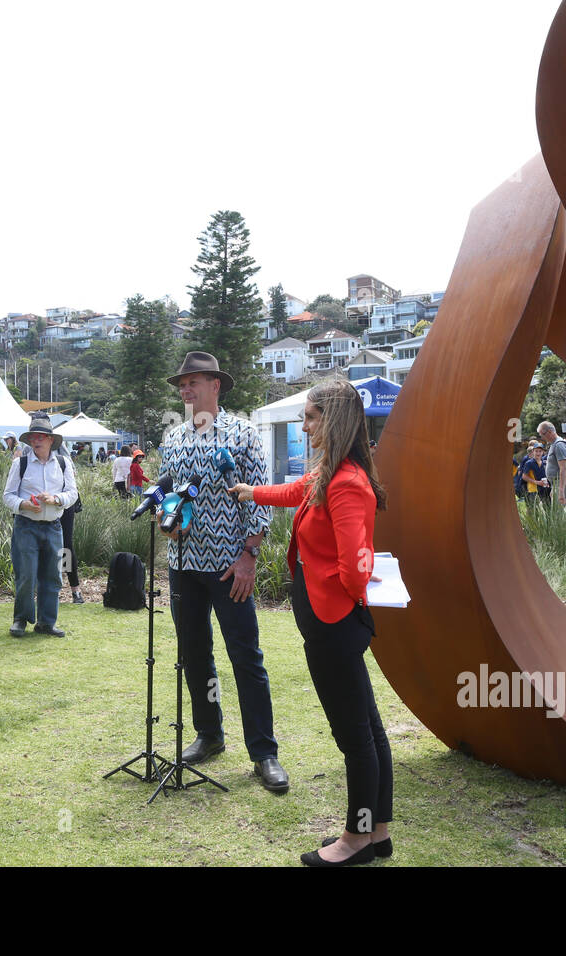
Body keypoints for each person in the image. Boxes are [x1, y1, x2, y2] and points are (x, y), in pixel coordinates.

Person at [229, 380, 389, 865]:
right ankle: (378, 832)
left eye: (311, 417)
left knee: (355, 739)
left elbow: (355, 564)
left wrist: (354, 596)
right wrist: (249, 491)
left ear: (333, 419)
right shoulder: (328, 473)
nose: (304, 427)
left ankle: (356, 839)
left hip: (333, 626)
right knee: (370, 731)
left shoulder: (346, 484)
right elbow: (295, 491)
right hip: (332, 624)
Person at [158, 352, 287, 793]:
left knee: (245, 657)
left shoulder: (243, 434)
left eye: (193, 381)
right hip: (182, 567)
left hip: (230, 567)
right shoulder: (173, 438)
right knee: (195, 655)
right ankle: (209, 734)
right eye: (182, 384)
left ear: (216, 384)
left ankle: (264, 752)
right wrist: (166, 517)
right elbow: (164, 488)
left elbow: (258, 498)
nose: (185, 390)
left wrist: (249, 555)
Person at [3, 414, 79, 636]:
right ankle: (21, 619)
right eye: (33, 437)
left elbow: (72, 494)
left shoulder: (64, 463)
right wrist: (24, 504)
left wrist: (56, 500)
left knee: (53, 576)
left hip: (55, 526)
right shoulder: (21, 463)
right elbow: (7, 496)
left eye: (41, 437)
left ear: (50, 440)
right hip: (26, 526)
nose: (36, 440)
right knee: (26, 575)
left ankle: (47, 622)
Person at [537, 421, 566, 506]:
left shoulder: (559, 445)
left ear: (550, 432)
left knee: (559, 515)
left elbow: (564, 468)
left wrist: (560, 491)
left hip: (562, 485)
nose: (542, 437)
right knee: (558, 512)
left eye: (542, 434)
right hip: (557, 484)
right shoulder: (554, 444)